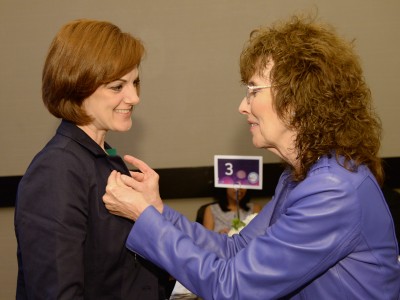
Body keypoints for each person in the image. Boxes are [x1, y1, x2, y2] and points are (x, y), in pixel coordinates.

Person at [102, 15, 400, 299]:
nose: (243, 106)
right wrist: (157, 211)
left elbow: (232, 287)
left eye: (253, 90)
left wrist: (144, 219)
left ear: (296, 100)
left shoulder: (333, 190)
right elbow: (237, 250)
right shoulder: (300, 176)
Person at [14, 19, 172, 299]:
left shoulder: (106, 158)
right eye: (117, 87)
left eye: (135, 82)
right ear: (77, 86)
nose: (134, 97)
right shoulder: (57, 171)